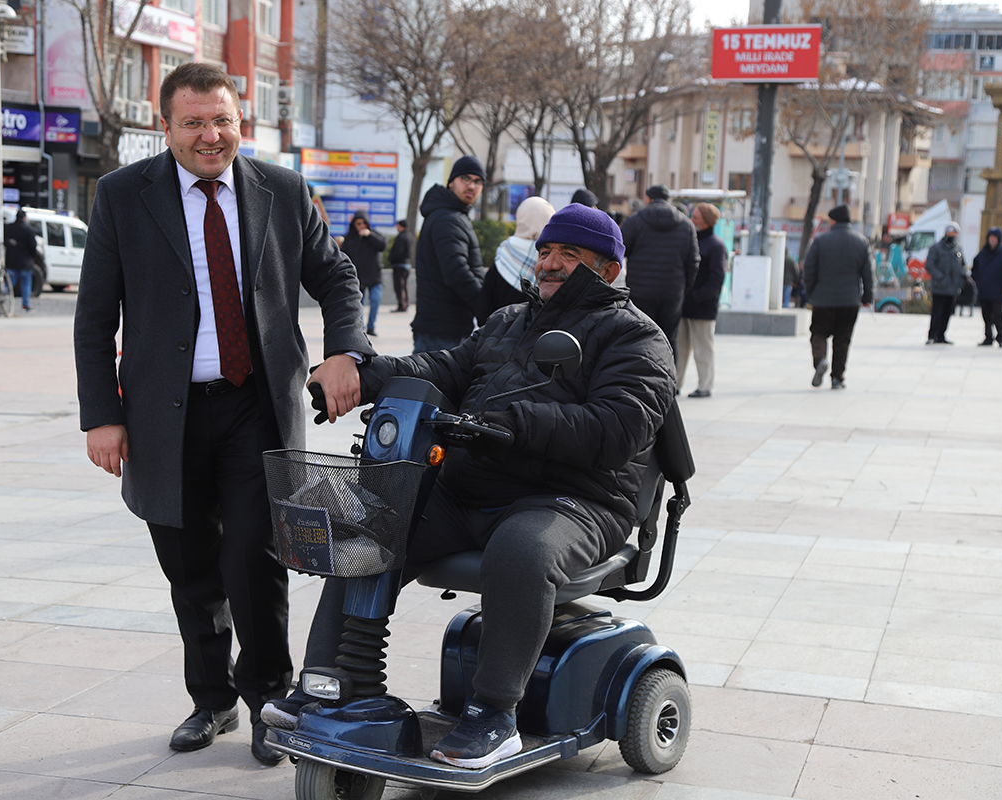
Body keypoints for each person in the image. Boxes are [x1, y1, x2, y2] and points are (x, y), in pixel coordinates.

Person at [262, 203, 677, 770]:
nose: (550, 264)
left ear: (606, 270)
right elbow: (445, 367)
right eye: (546, 252)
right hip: (474, 486)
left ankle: (494, 715)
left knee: (522, 551)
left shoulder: (637, 338)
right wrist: (366, 375)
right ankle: (333, 681)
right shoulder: (510, 321)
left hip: (576, 499)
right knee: (374, 523)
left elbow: (616, 429)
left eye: (569, 255)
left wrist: (512, 426)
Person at [73, 62, 374, 766]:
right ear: (166, 127)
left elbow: (336, 277)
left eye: (223, 121)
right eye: (194, 123)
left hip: (255, 408)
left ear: (242, 121)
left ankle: (269, 697)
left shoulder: (282, 189)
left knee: (255, 556)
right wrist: (101, 415)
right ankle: (210, 700)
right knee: (189, 566)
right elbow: (94, 319)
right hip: (161, 415)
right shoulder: (122, 196)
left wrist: (346, 353)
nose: (211, 136)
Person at [410, 155, 485, 353]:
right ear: (451, 182)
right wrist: (486, 305)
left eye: (478, 181)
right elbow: (457, 273)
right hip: (444, 332)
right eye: (466, 178)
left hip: (442, 327)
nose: (472, 185)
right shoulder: (448, 219)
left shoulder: (451, 214)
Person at [620, 184, 699, 362]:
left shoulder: (635, 220)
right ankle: (670, 386)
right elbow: (693, 261)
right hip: (672, 292)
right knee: (670, 338)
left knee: (640, 336)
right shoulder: (686, 224)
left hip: (641, 291)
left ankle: (641, 382)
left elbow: (619, 250)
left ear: (648, 199)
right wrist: (683, 288)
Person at [802, 204, 872, 390]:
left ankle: (820, 360)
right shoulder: (861, 242)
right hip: (850, 300)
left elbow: (809, 270)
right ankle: (837, 378)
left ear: (833, 220)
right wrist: (867, 297)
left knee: (818, 332)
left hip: (823, 299)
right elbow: (867, 274)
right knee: (842, 339)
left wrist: (811, 292)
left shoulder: (820, 241)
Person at [476, 195, 554, 324]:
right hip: (539, 340)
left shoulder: (505, 253)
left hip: (498, 338)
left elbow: (483, 312)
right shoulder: (554, 260)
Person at [677, 203, 727, 398]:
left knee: (702, 348)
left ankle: (705, 386)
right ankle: (676, 383)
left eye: (695, 218)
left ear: (706, 222)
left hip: (703, 307)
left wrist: (696, 297)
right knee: (679, 348)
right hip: (684, 305)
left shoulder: (716, 245)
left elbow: (717, 279)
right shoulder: (691, 241)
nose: (691, 219)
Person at [341, 209, 386, 336]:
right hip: (358, 277)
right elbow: (344, 255)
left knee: (375, 299)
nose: (361, 226)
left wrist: (369, 235)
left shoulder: (374, 235)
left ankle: (371, 326)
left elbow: (382, 245)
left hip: (374, 275)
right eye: (358, 223)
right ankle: (360, 328)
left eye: (363, 223)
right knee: (358, 304)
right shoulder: (350, 237)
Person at [971, 227, 1002, 347]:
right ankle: (988, 336)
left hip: (998, 290)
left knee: (997, 314)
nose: (992, 240)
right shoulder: (983, 253)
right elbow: (975, 268)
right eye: (990, 238)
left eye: (994, 238)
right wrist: (978, 280)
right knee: (986, 314)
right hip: (984, 289)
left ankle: (1000, 337)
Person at [925, 221, 966, 345]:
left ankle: (942, 335)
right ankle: (933, 335)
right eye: (951, 233)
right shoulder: (936, 248)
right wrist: (941, 278)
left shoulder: (958, 248)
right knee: (937, 312)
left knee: (947, 313)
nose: (952, 235)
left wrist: (962, 278)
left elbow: (962, 264)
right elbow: (930, 265)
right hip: (940, 287)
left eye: (955, 233)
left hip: (953, 288)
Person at [4, 209, 39, 314]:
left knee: (10, 283)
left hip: (11, 260)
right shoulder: (29, 230)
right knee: (26, 284)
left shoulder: (9, 228)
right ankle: (25, 305)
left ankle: (1, 298)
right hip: (25, 262)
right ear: (24, 218)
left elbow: (5, 241)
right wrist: (31, 257)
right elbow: (33, 246)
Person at [389, 218, 413, 312]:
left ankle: (402, 305)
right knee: (404, 285)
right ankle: (406, 303)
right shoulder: (409, 236)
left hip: (399, 265)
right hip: (407, 265)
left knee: (399, 286)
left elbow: (398, 251)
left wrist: (391, 259)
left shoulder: (401, 237)